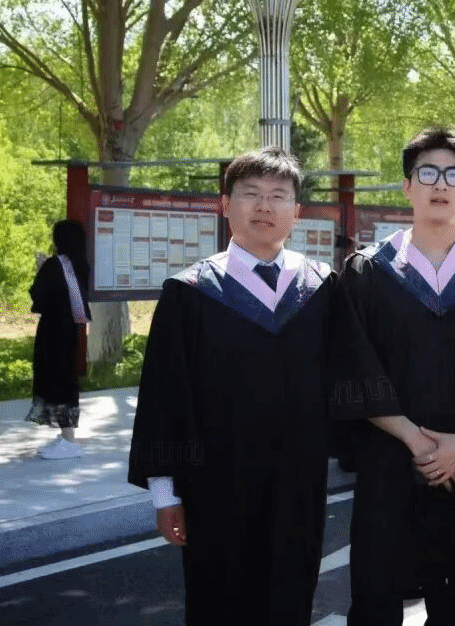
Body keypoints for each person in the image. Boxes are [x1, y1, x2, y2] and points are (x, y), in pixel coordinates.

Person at [127, 148, 336, 626]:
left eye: (278, 196)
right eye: (250, 194)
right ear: (225, 205)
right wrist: (165, 494)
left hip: (298, 484)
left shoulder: (322, 287)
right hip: (214, 485)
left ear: (297, 212)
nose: (264, 206)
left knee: (291, 600)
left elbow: (345, 377)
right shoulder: (190, 291)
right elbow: (164, 397)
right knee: (218, 603)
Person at [332, 128, 455, 626]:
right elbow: (353, 367)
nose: (441, 184)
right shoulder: (368, 271)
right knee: (376, 607)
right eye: (427, 173)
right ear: (407, 186)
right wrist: (418, 441)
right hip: (389, 470)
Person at [27, 219, 92, 459]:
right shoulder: (80, 263)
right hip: (70, 331)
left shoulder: (56, 265)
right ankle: (65, 436)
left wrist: (41, 267)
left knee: (56, 379)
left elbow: (39, 296)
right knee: (65, 378)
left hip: (53, 332)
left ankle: (69, 439)